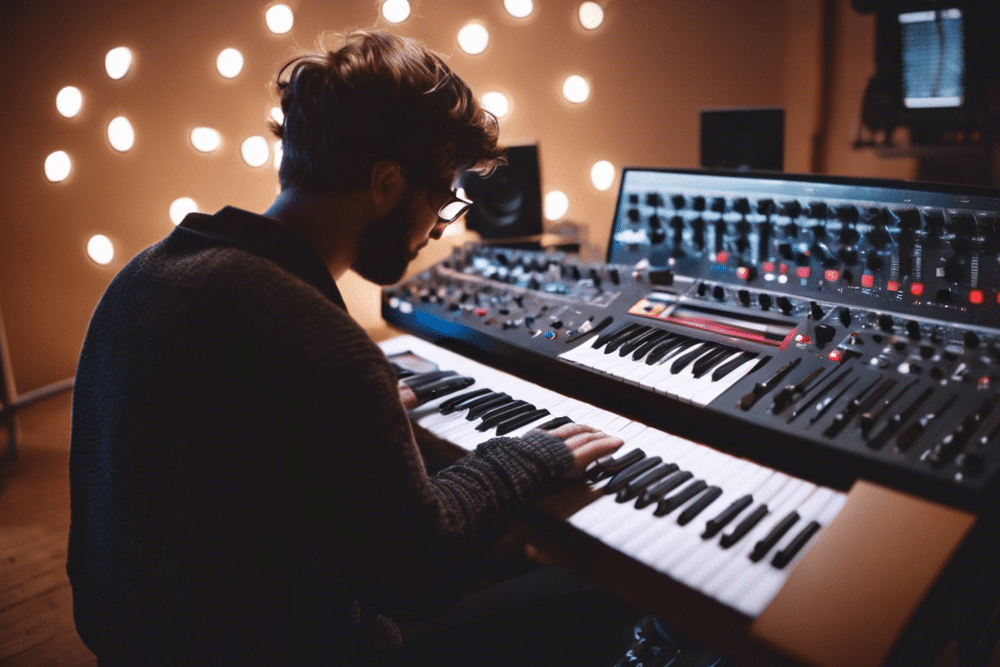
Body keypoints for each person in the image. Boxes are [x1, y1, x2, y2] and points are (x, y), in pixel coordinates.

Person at [67, 29, 629, 666]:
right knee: (596, 591)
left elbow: (236, 462)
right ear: (387, 183)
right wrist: (521, 458)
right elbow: (421, 574)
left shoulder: (141, 280)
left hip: (136, 643)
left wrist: (355, 423)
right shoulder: (328, 351)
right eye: (444, 200)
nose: (437, 231)